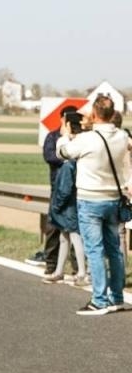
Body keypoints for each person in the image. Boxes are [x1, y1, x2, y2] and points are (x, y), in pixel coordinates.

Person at [55, 95, 132, 315]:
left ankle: (99, 300)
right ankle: (116, 297)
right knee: (114, 250)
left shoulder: (86, 139)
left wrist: (65, 135)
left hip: (90, 200)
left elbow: (63, 152)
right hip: (114, 199)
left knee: (94, 250)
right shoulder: (122, 136)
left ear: (95, 114)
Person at [43, 110, 86, 286]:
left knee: (74, 235)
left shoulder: (69, 152)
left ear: (68, 125)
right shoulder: (84, 143)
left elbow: (65, 185)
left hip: (69, 199)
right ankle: (59, 270)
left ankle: (81, 272)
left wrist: (57, 204)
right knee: (64, 235)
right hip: (72, 196)